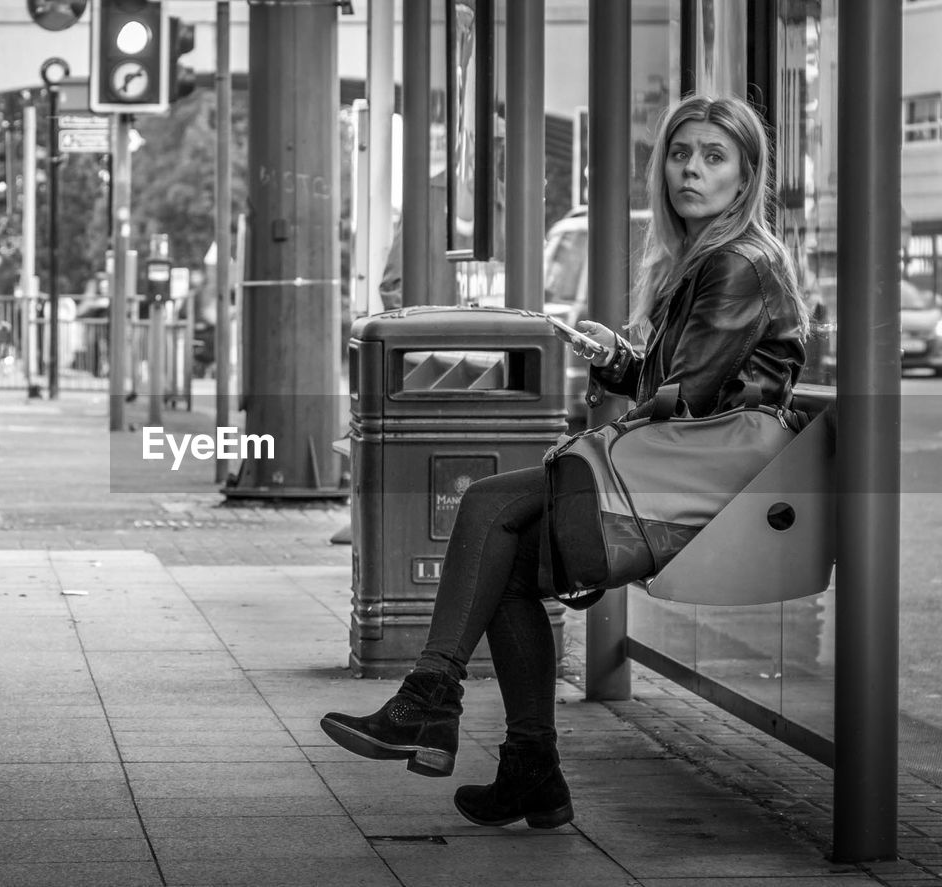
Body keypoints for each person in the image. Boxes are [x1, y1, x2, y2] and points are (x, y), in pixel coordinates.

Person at [320, 94, 809, 829]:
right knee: (509, 566)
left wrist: (599, 430)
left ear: (745, 178)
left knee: (488, 504)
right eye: (681, 154)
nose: (691, 171)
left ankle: (431, 698)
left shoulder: (737, 261)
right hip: (694, 470)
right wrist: (619, 361)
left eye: (713, 158)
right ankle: (530, 768)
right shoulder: (712, 257)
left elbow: (689, 393)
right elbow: (687, 381)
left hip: (715, 484)